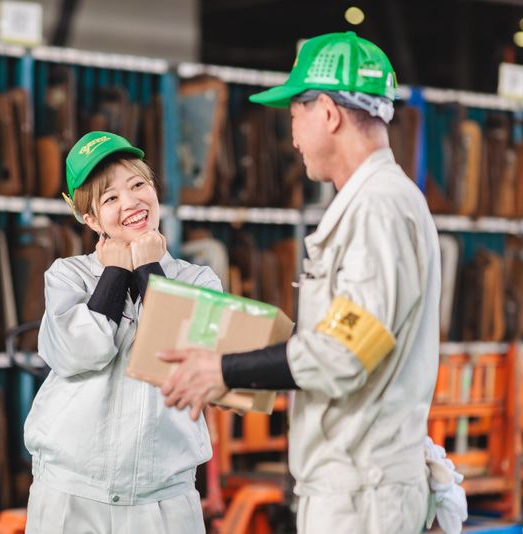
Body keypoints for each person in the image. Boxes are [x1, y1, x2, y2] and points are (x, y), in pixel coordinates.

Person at [159, 32, 466, 533]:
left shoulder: (378, 210)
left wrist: (225, 369)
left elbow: (344, 353)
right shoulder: (373, 204)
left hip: (361, 498)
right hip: (356, 487)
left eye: (294, 116)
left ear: (327, 112)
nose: (294, 136)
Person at [23, 131, 221, 534]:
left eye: (138, 185)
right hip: (72, 496)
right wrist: (114, 275)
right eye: (110, 198)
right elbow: (75, 354)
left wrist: (149, 271)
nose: (130, 202)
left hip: (163, 501)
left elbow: (184, 355)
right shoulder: (68, 276)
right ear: (91, 218)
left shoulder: (198, 280)